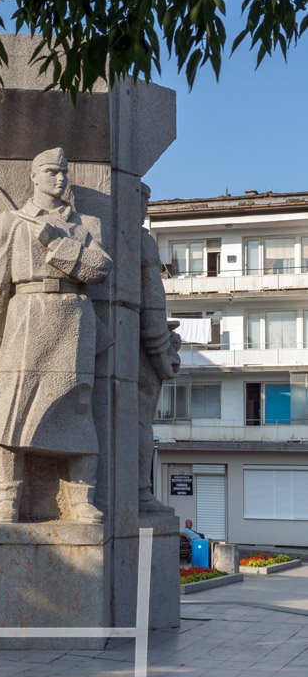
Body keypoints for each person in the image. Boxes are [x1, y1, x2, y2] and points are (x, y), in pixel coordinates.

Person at [0, 147, 113, 524]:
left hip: (74, 317)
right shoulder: (13, 220)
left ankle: (83, 497)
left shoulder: (87, 223)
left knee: (77, 407)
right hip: (26, 313)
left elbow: (100, 268)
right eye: (52, 171)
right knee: (11, 408)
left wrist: (57, 242)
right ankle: (7, 498)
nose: (60, 178)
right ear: (34, 176)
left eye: (64, 172)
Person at [137, 183, 182, 514]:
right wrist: (162, 352)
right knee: (140, 422)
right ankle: (140, 489)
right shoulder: (142, 241)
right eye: (143, 200)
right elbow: (153, 306)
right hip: (139, 348)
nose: (145, 208)